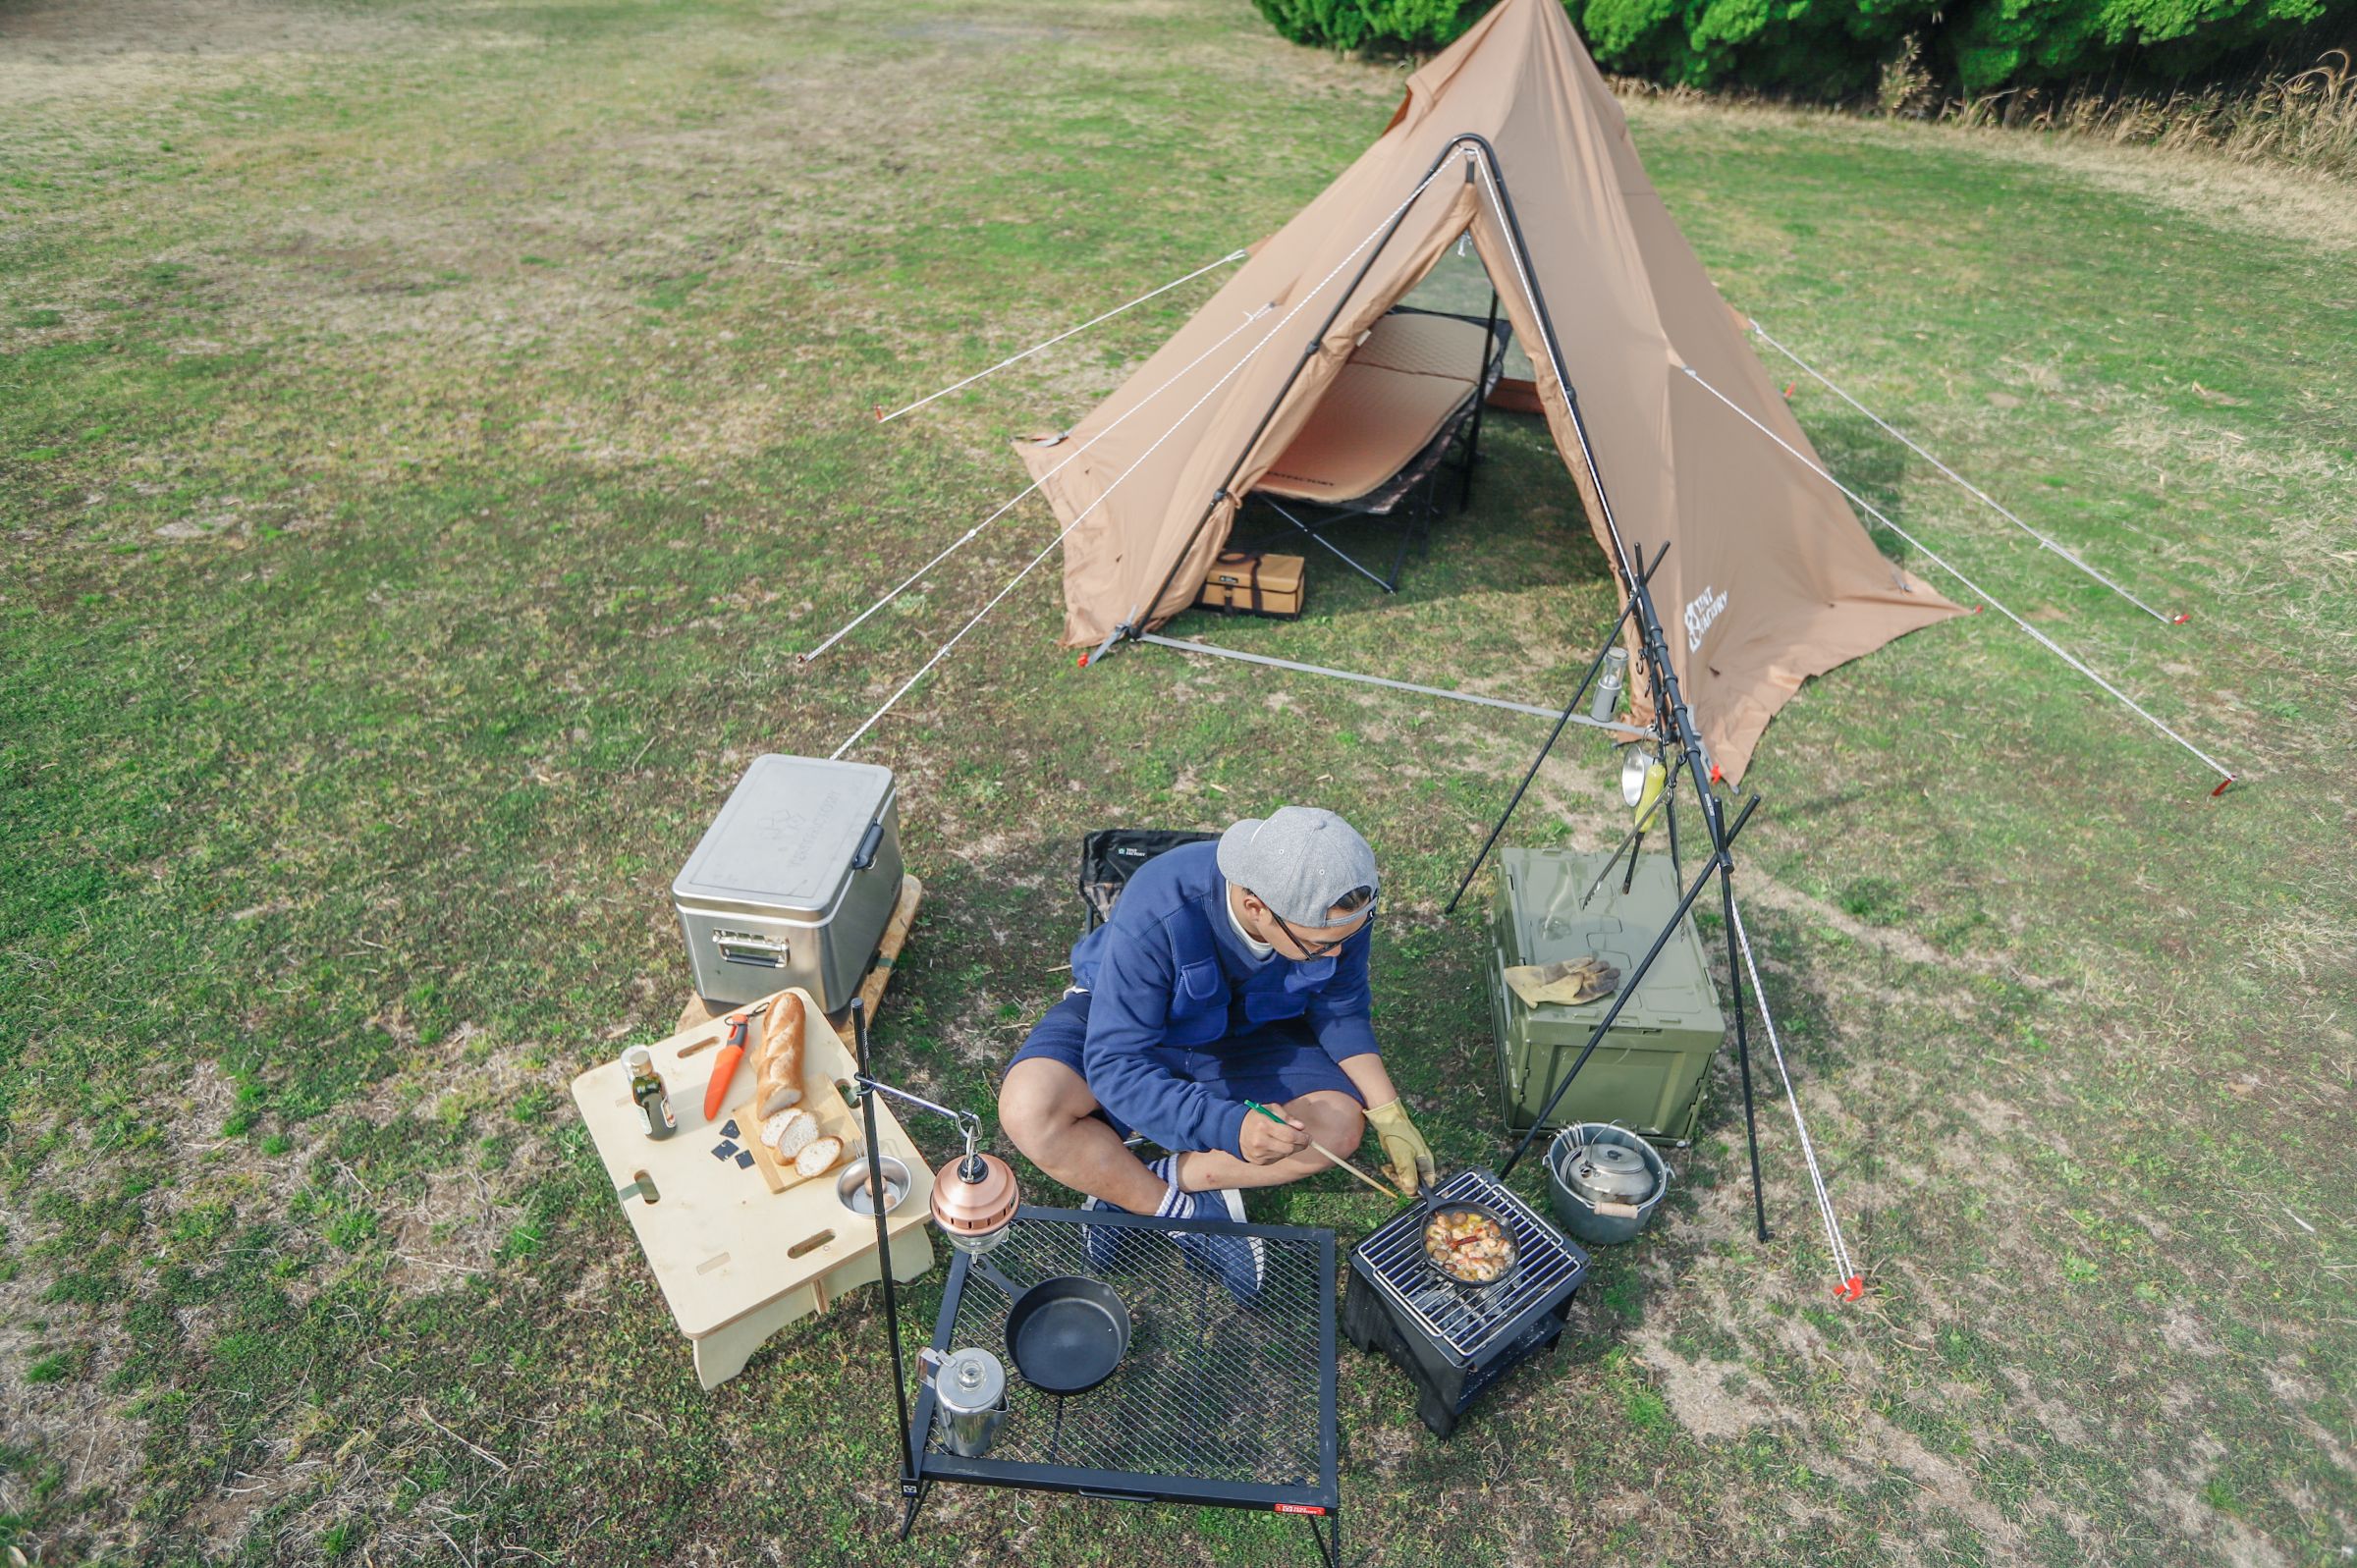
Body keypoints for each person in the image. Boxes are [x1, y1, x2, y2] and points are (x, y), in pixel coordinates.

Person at [999, 807, 1437, 1298]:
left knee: (1337, 1128)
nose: (1334, 954)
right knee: (1029, 1108)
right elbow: (1116, 1064)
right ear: (1256, 907)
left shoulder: (1338, 910)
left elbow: (1341, 1005)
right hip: (1137, 1029)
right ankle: (1183, 1213)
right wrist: (1231, 1127)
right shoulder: (1160, 904)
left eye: (1341, 942)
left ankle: (1142, 1180)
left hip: (1250, 1033)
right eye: (1318, 946)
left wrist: (1388, 1113)